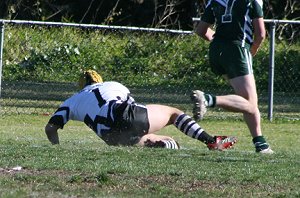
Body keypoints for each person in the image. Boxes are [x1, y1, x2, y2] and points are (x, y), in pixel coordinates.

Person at [45, 70, 237, 150]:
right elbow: (133, 114)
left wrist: (57, 148)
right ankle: (212, 141)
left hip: (108, 136)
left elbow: (50, 128)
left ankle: (161, 144)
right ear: (99, 81)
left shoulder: (72, 100)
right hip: (121, 113)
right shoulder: (113, 85)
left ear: (81, 86)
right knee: (173, 113)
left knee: (165, 141)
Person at [192, 0, 273, 154]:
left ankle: (260, 143)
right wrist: (252, 52)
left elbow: (201, 30)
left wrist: (217, 41)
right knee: (250, 104)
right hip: (237, 50)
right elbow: (261, 34)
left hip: (216, 52)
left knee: (247, 101)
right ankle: (208, 99)